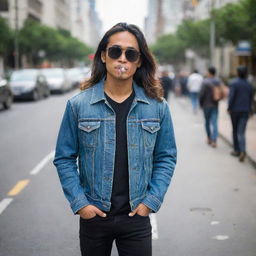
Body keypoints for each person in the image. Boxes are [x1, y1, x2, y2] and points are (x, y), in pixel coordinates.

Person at [53, 23, 177, 256]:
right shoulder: (78, 105)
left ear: (139, 61)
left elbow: (166, 157)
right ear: (103, 55)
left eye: (131, 54)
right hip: (94, 217)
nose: (122, 59)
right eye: (115, 51)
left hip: (136, 218)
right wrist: (81, 204)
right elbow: (64, 158)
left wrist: (151, 200)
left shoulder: (157, 107)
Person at [228, 66, 253, 162]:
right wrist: (251, 110)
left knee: (235, 130)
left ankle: (237, 150)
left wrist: (229, 107)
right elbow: (251, 99)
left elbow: (231, 96)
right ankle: (243, 150)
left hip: (235, 110)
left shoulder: (234, 83)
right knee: (241, 132)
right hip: (245, 110)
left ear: (238, 73)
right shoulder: (249, 84)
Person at [199, 67, 223, 148]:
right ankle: (214, 140)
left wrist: (200, 104)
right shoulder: (218, 81)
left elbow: (201, 94)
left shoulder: (205, 81)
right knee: (214, 122)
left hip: (206, 105)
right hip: (215, 105)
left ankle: (209, 138)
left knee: (207, 122)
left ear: (209, 73)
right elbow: (222, 92)